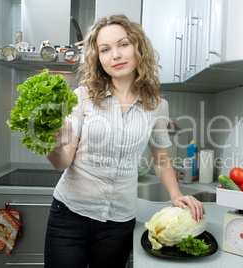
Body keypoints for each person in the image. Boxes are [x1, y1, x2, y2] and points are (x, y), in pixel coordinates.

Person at [44, 14, 205, 268]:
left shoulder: (156, 106)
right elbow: (62, 162)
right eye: (105, 49)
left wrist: (176, 195)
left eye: (123, 44)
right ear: (98, 58)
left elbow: (161, 160)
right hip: (69, 216)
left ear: (138, 48)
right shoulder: (82, 96)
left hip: (118, 222)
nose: (115, 55)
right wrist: (53, 144)